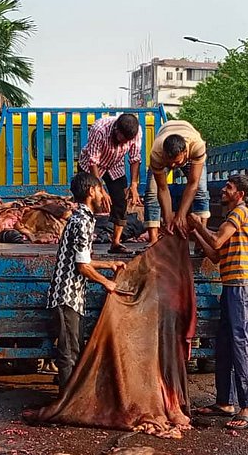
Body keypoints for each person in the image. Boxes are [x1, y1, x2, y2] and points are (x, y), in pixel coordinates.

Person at [188, 174, 248, 430]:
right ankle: (224, 402)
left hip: (243, 289)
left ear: (239, 194)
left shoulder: (240, 213)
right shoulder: (234, 218)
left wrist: (198, 225)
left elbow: (217, 240)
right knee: (223, 347)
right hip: (232, 288)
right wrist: (196, 233)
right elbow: (215, 255)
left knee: (241, 348)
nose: (223, 190)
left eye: (229, 187)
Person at [46, 172, 126, 390]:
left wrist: (109, 265)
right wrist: (106, 282)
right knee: (69, 353)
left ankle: (69, 396)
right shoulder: (82, 221)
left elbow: (83, 259)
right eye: (101, 190)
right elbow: (82, 267)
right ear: (91, 191)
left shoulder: (82, 218)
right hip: (66, 296)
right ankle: (66, 401)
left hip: (72, 297)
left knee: (74, 349)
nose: (103, 195)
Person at [77, 112, 143, 254]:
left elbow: (135, 158)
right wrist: (100, 189)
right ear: (116, 130)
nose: (125, 143)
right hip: (92, 166)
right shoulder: (99, 129)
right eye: (122, 139)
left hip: (115, 165)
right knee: (89, 203)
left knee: (121, 201)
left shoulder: (137, 132)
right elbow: (92, 161)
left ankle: (116, 243)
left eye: (128, 141)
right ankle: (85, 245)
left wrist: (134, 184)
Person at [144, 119, 209, 244]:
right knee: (152, 192)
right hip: (164, 133)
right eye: (170, 162)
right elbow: (162, 188)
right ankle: (153, 240)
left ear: (185, 153)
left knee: (201, 191)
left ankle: (202, 241)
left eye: (177, 162)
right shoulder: (157, 153)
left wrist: (181, 214)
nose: (173, 166)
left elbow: (192, 184)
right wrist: (168, 217)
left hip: (190, 138)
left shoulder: (197, 146)